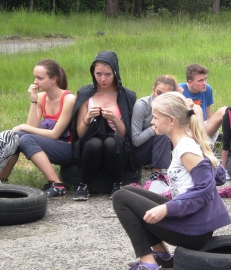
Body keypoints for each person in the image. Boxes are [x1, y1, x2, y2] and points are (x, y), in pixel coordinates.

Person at [111, 91, 231, 270]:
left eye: (156, 118)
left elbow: (206, 190)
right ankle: (162, 256)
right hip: (192, 220)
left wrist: (167, 208)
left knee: (121, 198)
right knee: (129, 192)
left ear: (172, 121)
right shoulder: (186, 142)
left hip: (193, 230)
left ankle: (148, 268)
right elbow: (216, 176)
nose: (152, 122)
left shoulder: (185, 148)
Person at [0, 59, 76, 197]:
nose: (35, 81)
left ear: (53, 79)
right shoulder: (41, 97)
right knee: (16, 137)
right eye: (35, 77)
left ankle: (56, 184)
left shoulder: (69, 99)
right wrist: (34, 100)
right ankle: (2, 180)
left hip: (68, 149)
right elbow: (31, 127)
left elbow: (54, 134)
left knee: (25, 138)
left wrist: (23, 127)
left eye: (40, 78)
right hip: (50, 146)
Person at [70, 51, 136, 201]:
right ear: (93, 73)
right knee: (95, 143)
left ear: (115, 73)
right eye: (98, 74)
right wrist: (88, 116)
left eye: (108, 74)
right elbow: (80, 133)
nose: (103, 79)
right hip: (90, 143)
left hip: (117, 145)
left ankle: (117, 183)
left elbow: (126, 135)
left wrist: (114, 118)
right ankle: (84, 184)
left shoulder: (126, 95)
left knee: (111, 142)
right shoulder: (86, 93)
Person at [131, 75, 177, 181]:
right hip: (139, 151)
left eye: (166, 95)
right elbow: (135, 140)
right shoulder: (142, 106)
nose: (160, 98)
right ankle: (156, 174)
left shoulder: (172, 107)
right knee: (162, 131)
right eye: (158, 93)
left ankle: (174, 169)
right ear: (153, 90)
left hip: (163, 149)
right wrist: (155, 127)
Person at [178, 64, 226, 144]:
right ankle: (206, 146)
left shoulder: (207, 89)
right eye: (200, 81)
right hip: (186, 129)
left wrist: (214, 126)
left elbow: (208, 114)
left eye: (205, 79)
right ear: (190, 82)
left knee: (224, 110)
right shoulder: (180, 90)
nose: (204, 83)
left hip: (202, 126)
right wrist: (178, 96)